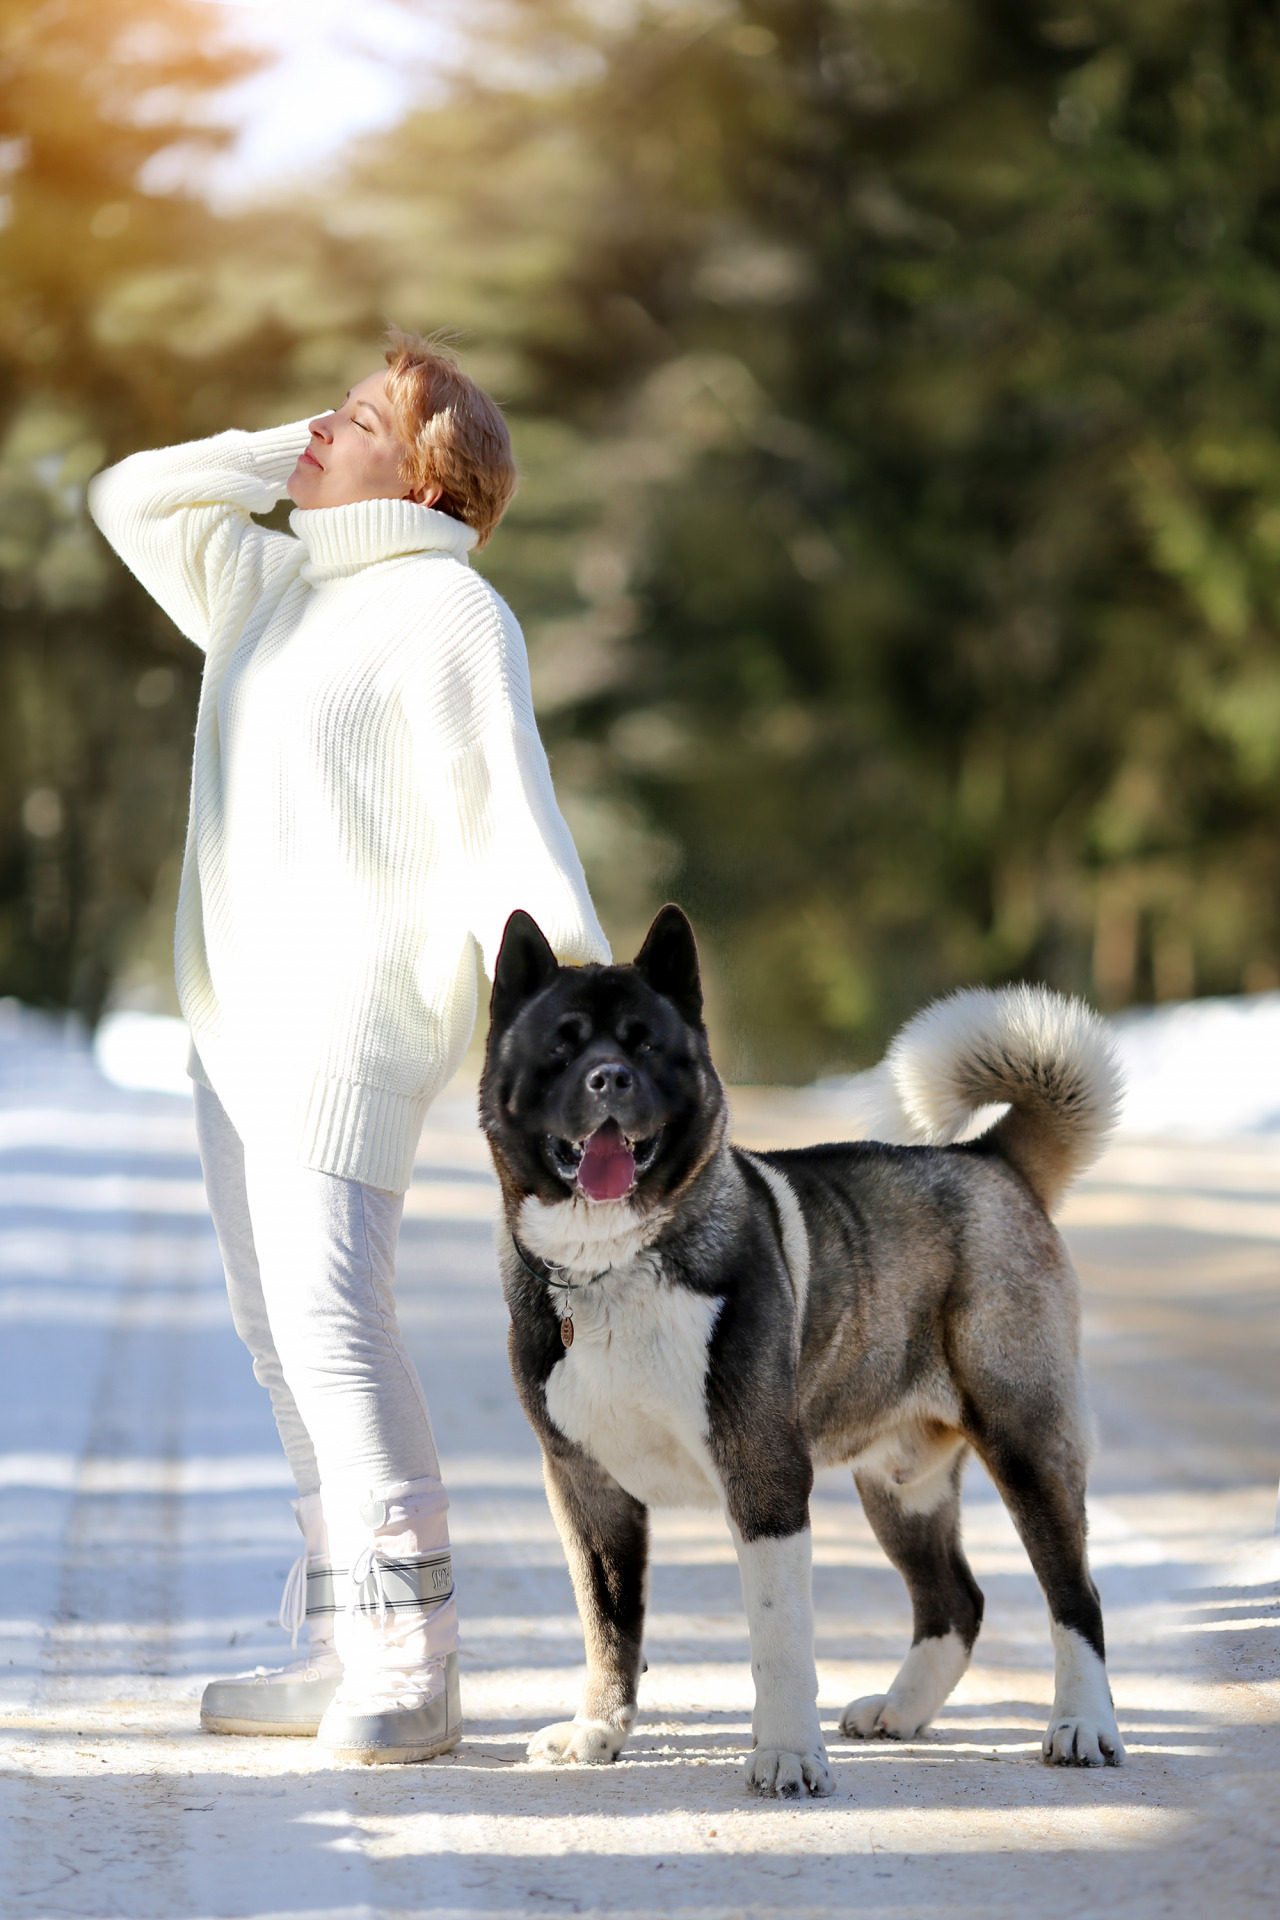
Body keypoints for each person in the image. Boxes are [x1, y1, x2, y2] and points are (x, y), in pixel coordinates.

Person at [88, 330, 610, 1764]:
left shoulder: (449, 612)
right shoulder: (265, 589)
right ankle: (344, 1644)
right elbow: (129, 500)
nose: (319, 424)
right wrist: (285, 457)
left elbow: (511, 818)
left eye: (362, 416)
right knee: (279, 1346)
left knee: (335, 1334)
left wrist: (586, 1010)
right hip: (232, 1026)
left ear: (433, 477)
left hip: (346, 1026)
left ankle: (415, 1667)